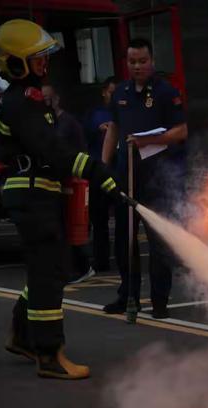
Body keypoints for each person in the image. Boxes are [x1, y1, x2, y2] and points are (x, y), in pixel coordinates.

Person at [0, 19, 125, 379]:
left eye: (44, 58)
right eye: (36, 59)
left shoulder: (29, 100)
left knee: (47, 268)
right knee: (49, 273)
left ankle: (22, 336)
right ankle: (50, 355)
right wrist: (96, 172)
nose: (44, 64)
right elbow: (53, 149)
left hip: (38, 192)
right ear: (16, 63)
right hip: (32, 194)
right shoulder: (22, 103)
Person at [102, 38, 188, 318]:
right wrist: (103, 166)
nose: (137, 66)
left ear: (152, 61)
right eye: (132, 62)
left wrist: (150, 139)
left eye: (142, 61)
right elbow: (113, 128)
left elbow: (181, 131)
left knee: (158, 241)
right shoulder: (121, 93)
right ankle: (128, 296)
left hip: (157, 179)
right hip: (127, 176)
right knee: (124, 241)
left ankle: (160, 301)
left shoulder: (165, 92)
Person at [41, 83, 95, 284]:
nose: (45, 103)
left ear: (56, 99)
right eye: (42, 99)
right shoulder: (46, 122)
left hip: (72, 181)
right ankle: (67, 266)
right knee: (59, 226)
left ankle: (82, 266)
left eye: (48, 99)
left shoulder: (69, 123)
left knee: (73, 225)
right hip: (54, 182)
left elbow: (81, 151)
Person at [84, 77, 118, 272]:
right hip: (99, 173)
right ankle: (101, 260)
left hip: (118, 171)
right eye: (111, 92)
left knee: (124, 219)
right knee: (99, 220)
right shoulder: (95, 114)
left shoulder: (123, 112)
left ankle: (124, 258)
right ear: (104, 92)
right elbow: (88, 132)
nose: (114, 96)